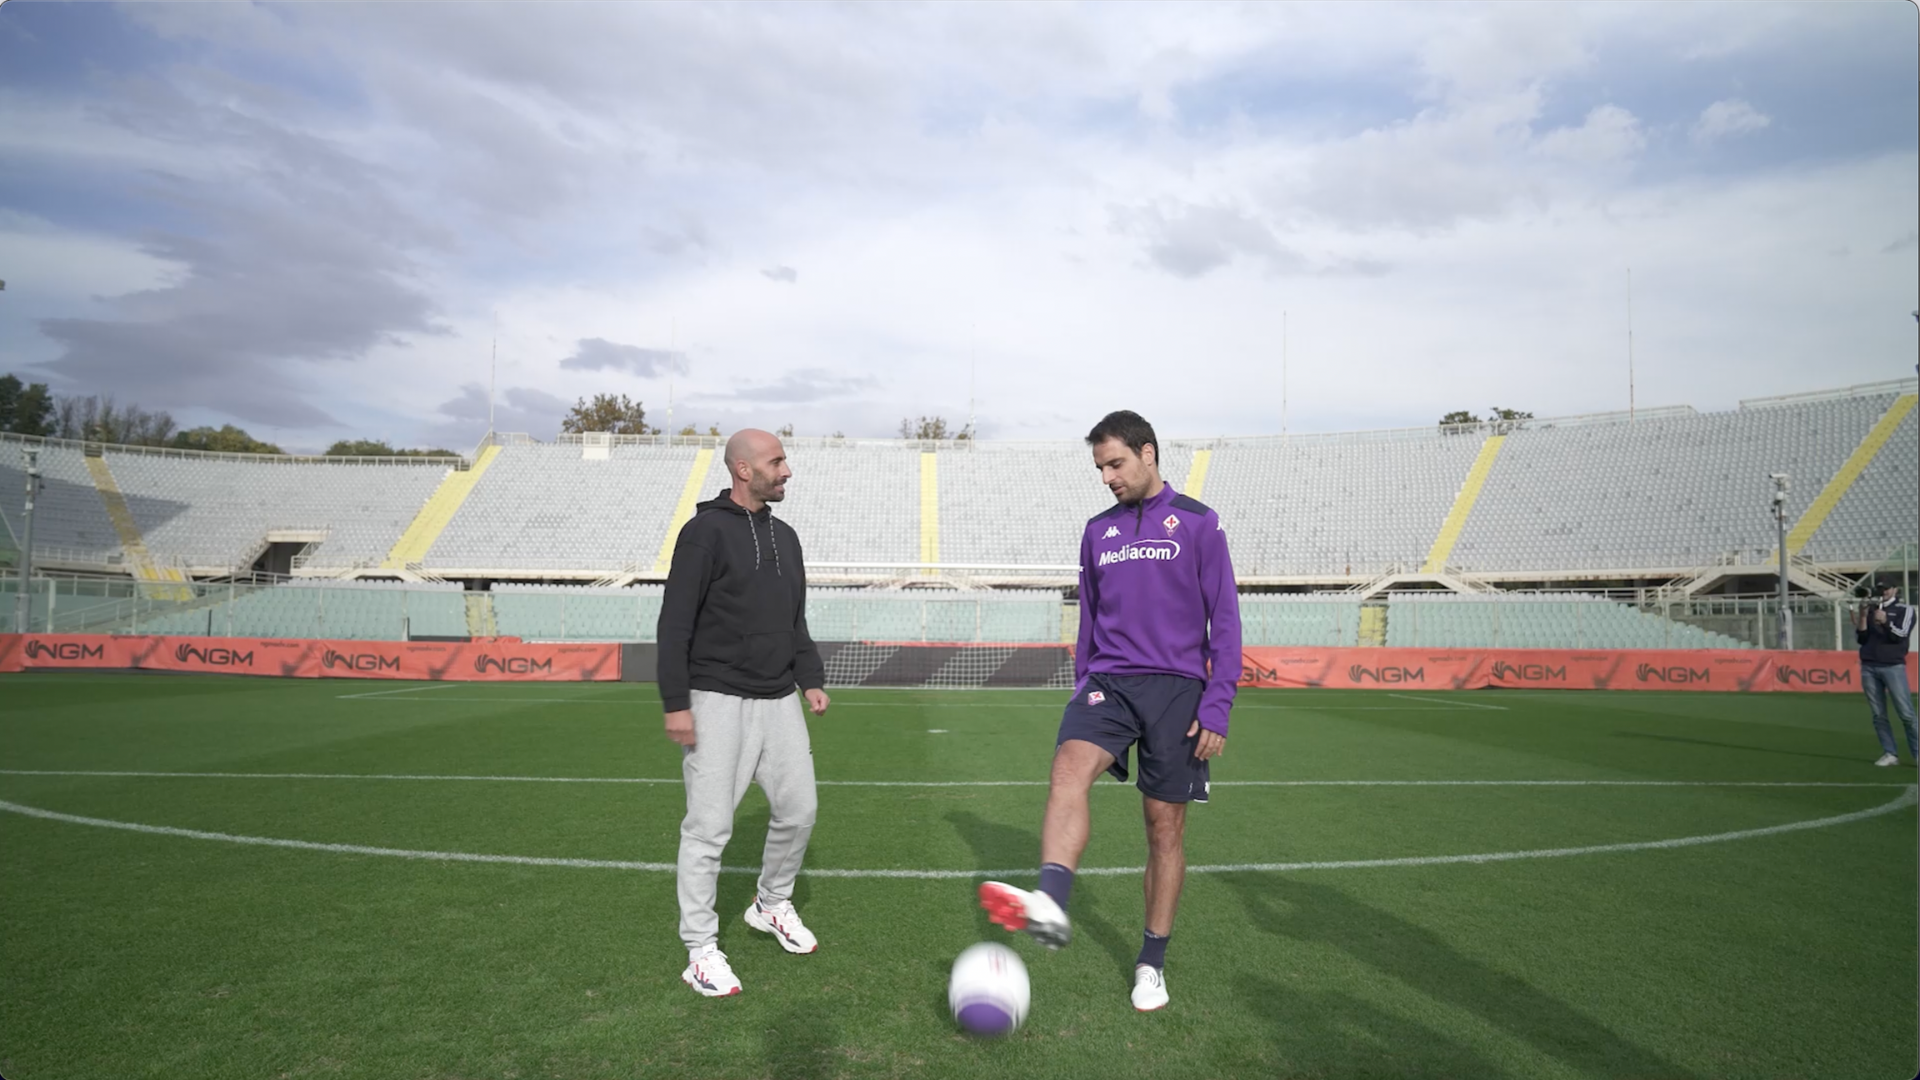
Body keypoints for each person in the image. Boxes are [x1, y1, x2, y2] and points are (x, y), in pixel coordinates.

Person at [978, 409, 1241, 1012]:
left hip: (1178, 690)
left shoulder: (1199, 525)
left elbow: (1224, 621)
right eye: (1100, 467)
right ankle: (1050, 899)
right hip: (1109, 683)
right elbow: (1090, 619)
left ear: (1148, 454)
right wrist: (1082, 684)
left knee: (1163, 827)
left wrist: (1218, 704)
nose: (1106, 478)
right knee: (1067, 770)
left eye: (1115, 464)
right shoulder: (1098, 531)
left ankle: (1151, 962)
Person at [656, 428, 830, 997]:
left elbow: (795, 618)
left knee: (799, 810)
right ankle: (700, 949)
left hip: (779, 698)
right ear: (743, 469)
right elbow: (675, 624)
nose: (787, 470)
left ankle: (771, 903)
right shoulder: (703, 533)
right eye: (777, 461)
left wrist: (810, 680)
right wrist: (676, 704)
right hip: (715, 699)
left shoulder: (788, 537)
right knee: (708, 829)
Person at [1854, 578, 1915, 767]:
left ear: (1895, 590)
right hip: (1869, 665)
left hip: (1892, 665)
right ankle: (1890, 753)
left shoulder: (1905, 610)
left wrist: (1886, 621)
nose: (1884, 592)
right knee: (1878, 714)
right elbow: (1862, 638)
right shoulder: (1872, 608)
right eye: (1880, 589)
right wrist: (1863, 615)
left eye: (1887, 589)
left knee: (1906, 713)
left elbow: (1901, 635)